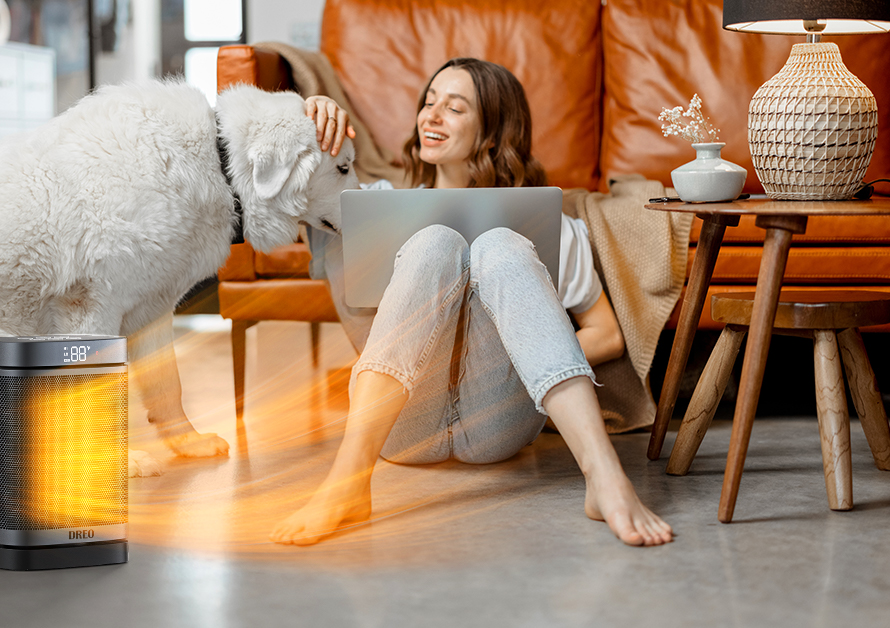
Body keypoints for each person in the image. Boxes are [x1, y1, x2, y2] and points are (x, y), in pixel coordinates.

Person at [270, 58, 673, 547]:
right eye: (429, 101)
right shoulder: (368, 202)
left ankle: (605, 479)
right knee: (434, 240)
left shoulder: (547, 225)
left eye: (454, 108)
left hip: (498, 422)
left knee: (500, 243)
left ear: (490, 133)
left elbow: (607, 333)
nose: (431, 116)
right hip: (403, 425)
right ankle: (347, 483)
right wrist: (309, 113)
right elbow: (290, 185)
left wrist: (523, 350)